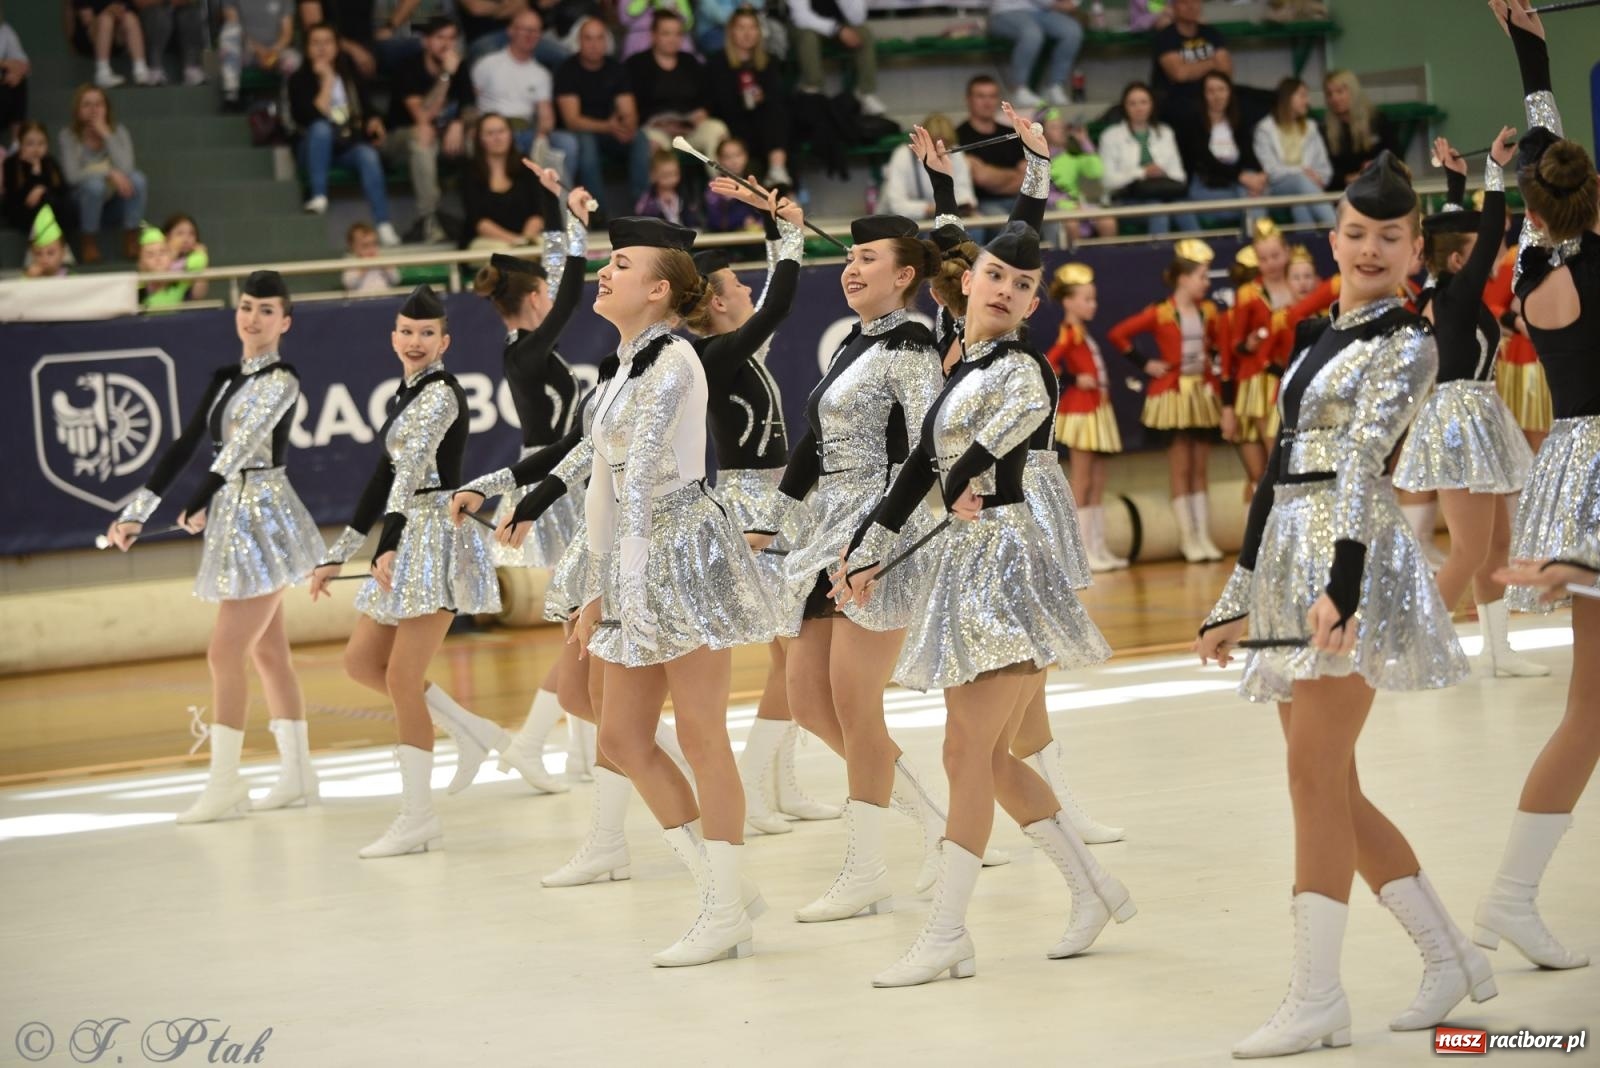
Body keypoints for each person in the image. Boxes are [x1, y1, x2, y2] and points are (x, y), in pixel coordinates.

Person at [1195, 152, 1487, 1059]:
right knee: (1331, 785)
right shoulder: (1319, 333)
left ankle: (1318, 997)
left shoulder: (1409, 341)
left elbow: (1363, 464)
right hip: (1295, 555)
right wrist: (1236, 593)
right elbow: (1280, 462)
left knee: (1313, 780)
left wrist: (1345, 587)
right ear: (1333, 238)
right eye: (1356, 233)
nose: (1369, 248)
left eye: (1389, 237)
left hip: (1348, 560)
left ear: (1414, 250)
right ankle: (1450, 956)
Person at [839, 217, 1127, 987]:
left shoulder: (1026, 371)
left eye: (1023, 284)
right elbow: (918, 468)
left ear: (1032, 302)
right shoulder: (960, 365)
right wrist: (867, 546)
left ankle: (947, 933)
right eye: (996, 275)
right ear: (966, 282)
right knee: (986, 756)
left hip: (1008, 566)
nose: (1006, 290)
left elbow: (977, 455)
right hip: (964, 563)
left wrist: (956, 484)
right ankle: (1093, 888)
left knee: (967, 754)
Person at [745, 212, 987, 912]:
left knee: (855, 707)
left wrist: (878, 543)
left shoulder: (909, 344)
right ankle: (932, 822)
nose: (851, 269)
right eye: (849, 257)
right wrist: (769, 522)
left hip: (879, 531)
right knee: (809, 702)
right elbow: (812, 447)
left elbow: (927, 447)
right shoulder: (858, 340)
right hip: (825, 531)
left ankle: (866, 870)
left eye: (868, 258)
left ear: (905, 275)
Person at [571, 216, 782, 965]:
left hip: (684, 548)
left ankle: (722, 911)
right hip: (633, 553)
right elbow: (603, 482)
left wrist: (625, 581)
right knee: (620, 736)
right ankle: (726, 890)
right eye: (607, 260)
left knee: (700, 733)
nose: (605, 271)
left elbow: (645, 478)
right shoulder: (620, 367)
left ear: (659, 290)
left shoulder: (676, 360)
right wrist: (596, 585)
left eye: (620, 263)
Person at [1474, 0, 1600, 974]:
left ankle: (1513, 895)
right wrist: (1533, 55)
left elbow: (1549, 167)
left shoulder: (1528, 268)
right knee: (1588, 711)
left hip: (1570, 461)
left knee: (1589, 709)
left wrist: (1531, 54)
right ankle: (1511, 897)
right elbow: (1553, 160)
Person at [107, 271, 325, 823]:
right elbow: (186, 443)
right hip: (234, 513)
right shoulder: (227, 378)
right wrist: (136, 512)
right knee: (268, 653)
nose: (253, 318)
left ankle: (225, 783)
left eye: (266, 310)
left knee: (224, 653)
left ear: (285, 322)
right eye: (247, 306)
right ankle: (299, 777)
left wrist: (200, 497)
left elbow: (239, 451)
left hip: (266, 519)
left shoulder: (283, 379)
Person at [311, 285, 519, 856]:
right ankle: (473, 730)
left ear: (444, 342)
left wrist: (388, 545)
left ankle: (418, 817)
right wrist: (338, 553)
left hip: (434, 537)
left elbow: (407, 481)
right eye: (406, 331)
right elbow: (382, 477)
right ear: (393, 338)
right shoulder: (405, 394)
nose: (415, 341)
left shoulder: (440, 394)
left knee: (402, 677)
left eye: (427, 333)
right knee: (362, 663)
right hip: (408, 533)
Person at [681, 178, 840, 834]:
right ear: (717, 302)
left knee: (788, 656)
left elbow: (770, 300)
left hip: (775, 499)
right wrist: (793, 239)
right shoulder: (712, 355)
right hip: (753, 507)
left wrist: (777, 227)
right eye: (737, 285)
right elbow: (776, 306)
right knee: (792, 650)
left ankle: (781, 785)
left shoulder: (737, 350)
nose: (749, 288)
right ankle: (754, 787)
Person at [450, 174, 597, 798]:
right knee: (583, 623)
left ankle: (581, 754)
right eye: (546, 293)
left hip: (563, 476)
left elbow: (556, 284)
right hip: (554, 483)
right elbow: (570, 293)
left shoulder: (525, 349)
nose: (552, 298)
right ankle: (532, 743)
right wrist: (577, 225)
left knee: (585, 621)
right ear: (535, 298)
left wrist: (561, 208)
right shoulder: (529, 352)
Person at [1392, 131, 1545, 678]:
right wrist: (1495, 171)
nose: (1493, 253)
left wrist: (1455, 179)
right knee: (1469, 551)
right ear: (1459, 260)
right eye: (1478, 251)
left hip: (1476, 413)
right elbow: (1491, 229)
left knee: (1496, 543)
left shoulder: (1445, 287)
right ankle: (1413, 647)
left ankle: (1497, 651)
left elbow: (1453, 233)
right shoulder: (1454, 296)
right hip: (1459, 422)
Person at [1107, 239, 1226, 563]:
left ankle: (1204, 535)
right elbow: (1119, 334)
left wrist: (1213, 360)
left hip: (1201, 394)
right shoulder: (1160, 312)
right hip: (1173, 395)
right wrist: (1145, 363)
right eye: (1202, 276)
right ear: (1183, 279)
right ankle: (1188, 538)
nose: (1207, 282)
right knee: (1181, 467)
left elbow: (1218, 344)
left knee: (1200, 467)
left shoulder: (1209, 311)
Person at [287, 23, 398, 244]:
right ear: (307, 48)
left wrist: (374, 120)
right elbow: (311, 116)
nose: (322, 48)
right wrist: (327, 80)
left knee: (367, 154)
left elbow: (367, 107)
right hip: (312, 147)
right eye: (315, 43)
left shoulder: (350, 75)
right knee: (321, 128)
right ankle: (319, 195)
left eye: (327, 42)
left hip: (345, 145)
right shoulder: (299, 79)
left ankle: (383, 223)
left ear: (337, 47)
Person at [1048, 263, 1125, 572]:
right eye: (1086, 299)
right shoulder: (1069, 333)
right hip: (1081, 410)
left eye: (1094, 299)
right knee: (1082, 480)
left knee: (1098, 479)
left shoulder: (1081, 332)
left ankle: (1097, 547)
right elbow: (1049, 363)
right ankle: (1081, 555)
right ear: (1068, 302)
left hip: (1096, 408)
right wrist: (1073, 378)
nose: (1093, 305)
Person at [385, 15, 471, 245]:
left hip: (442, 138)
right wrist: (445, 76)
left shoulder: (461, 66)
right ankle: (429, 220)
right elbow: (423, 117)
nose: (447, 44)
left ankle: (484, 216)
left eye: (451, 38)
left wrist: (459, 123)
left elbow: (471, 109)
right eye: (440, 38)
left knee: (479, 138)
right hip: (399, 140)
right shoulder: (408, 68)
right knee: (423, 134)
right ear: (426, 41)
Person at [553, 16, 652, 209]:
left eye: (599, 38)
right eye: (588, 38)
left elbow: (628, 110)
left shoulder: (616, 68)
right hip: (580, 133)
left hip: (610, 132)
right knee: (586, 143)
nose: (594, 44)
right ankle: (596, 210)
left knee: (640, 137)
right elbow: (572, 121)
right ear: (579, 41)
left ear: (606, 42)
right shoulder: (567, 70)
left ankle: (643, 204)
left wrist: (628, 126)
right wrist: (609, 126)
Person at [471, 8, 578, 177]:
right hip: (493, 129)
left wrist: (542, 135)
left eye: (536, 31)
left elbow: (546, 115)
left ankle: (559, 193)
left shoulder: (541, 74)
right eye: (525, 30)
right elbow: (470, 102)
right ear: (511, 31)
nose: (531, 35)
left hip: (526, 131)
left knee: (566, 142)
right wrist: (472, 127)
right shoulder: (487, 64)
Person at [58, 84, 148, 264]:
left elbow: (127, 168)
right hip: (82, 205)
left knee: (138, 179)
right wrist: (108, 173)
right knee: (94, 186)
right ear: (78, 110)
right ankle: (89, 241)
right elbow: (72, 177)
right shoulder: (68, 135)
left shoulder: (119, 131)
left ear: (107, 108)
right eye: (87, 104)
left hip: (113, 203)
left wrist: (106, 134)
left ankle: (131, 237)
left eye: (99, 104)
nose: (93, 110)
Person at [626, 9, 729, 165]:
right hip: (655, 129)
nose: (672, 39)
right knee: (651, 142)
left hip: (690, 127)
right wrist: (661, 124)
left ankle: (721, 180)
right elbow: (631, 107)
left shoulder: (690, 62)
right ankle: (661, 182)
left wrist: (702, 112)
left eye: (677, 34)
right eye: (666, 33)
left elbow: (707, 96)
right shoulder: (636, 64)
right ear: (653, 35)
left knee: (717, 129)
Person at [704, 8, 792, 187]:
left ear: (759, 32)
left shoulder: (769, 61)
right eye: (741, 28)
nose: (747, 33)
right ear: (732, 32)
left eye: (752, 28)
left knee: (776, 114)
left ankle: (778, 171)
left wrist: (762, 97)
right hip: (733, 123)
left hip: (764, 124)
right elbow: (716, 103)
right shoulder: (717, 63)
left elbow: (779, 97)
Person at [1098, 81, 1196, 236]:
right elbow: (1107, 181)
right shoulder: (1110, 136)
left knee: (1183, 208)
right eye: (1133, 103)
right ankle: (1158, 252)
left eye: (1144, 102)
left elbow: (1180, 176)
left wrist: (1161, 172)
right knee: (1158, 211)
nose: (1139, 108)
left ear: (1152, 105)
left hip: (1164, 194)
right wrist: (1142, 173)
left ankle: (1201, 249)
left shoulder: (1166, 132)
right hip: (1125, 199)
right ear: (1125, 107)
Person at [1486, 238, 1552, 454]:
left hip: (1539, 355)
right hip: (1517, 358)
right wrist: (1516, 321)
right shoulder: (1512, 261)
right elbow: (1491, 305)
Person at [1181, 70, 1267, 228]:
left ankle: (1254, 232)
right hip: (1207, 185)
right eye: (1211, 91)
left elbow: (1249, 154)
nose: (1217, 96)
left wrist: (1260, 174)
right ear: (1203, 95)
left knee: (1253, 194)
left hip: (1237, 184)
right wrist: (1241, 177)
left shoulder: (1238, 120)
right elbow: (1207, 162)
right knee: (1253, 199)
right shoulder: (1193, 124)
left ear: (1229, 92)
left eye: (1221, 90)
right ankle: (1259, 235)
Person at [1252, 77, 1336, 227]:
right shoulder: (1265, 129)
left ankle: (1308, 240)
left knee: (1301, 203)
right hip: (1276, 189)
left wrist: (1317, 177)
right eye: (1302, 96)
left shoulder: (1311, 128)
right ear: (1288, 97)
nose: (1307, 101)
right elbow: (1271, 171)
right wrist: (1303, 172)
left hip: (1306, 189)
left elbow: (1325, 170)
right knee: (1301, 181)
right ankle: (1337, 227)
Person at [460, 113, 547, 249]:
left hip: (528, 237)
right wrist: (515, 242)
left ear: (511, 134)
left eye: (501, 131)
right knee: (502, 252)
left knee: (547, 248)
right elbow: (477, 221)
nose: (497, 138)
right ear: (479, 139)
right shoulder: (470, 171)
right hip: (487, 240)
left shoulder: (526, 166)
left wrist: (526, 240)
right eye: (490, 133)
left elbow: (538, 212)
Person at [789, 0, 884, 116]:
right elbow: (801, 17)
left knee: (863, 33)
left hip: (837, 26)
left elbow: (858, 19)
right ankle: (813, 90)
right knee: (808, 38)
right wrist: (837, 30)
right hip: (804, 27)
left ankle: (865, 92)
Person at [987, 0, 1084, 110]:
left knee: (1072, 31)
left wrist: (1074, 3)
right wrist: (1058, 4)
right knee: (1032, 34)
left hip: (1042, 12)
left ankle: (1053, 86)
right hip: (1007, 11)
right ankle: (1018, 90)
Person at [881, 113, 975, 222]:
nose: (940, 151)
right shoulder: (902, 155)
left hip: (942, 217)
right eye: (934, 145)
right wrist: (935, 208)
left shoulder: (954, 152)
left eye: (945, 145)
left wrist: (962, 207)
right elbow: (897, 205)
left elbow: (965, 195)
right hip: (901, 221)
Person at [1149, 0, 1230, 124]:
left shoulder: (1211, 33)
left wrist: (1190, 68)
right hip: (1177, 100)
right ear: (1174, 7)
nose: (1192, 7)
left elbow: (1226, 70)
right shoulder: (1165, 37)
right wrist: (1212, 63)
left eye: (1196, 2)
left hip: (1212, 96)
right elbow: (1179, 74)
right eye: (1185, 3)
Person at [1322, 70, 1397, 192]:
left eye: (1340, 92)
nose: (1334, 98)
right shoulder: (1324, 130)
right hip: (1344, 191)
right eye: (1329, 94)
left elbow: (1395, 156)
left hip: (1379, 185)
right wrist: (1347, 179)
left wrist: (1376, 165)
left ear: (1353, 92)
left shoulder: (1377, 120)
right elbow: (1325, 172)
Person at [219, 0, 299, 107]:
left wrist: (272, 54)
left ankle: (290, 103)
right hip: (245, 52)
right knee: (229, 32)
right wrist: (259, 51)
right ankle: (231, 95)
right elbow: (233, 25)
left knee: (294, 59)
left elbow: (287, 34)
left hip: (275, 52)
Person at [4, 122, 73, 243]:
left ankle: (58, 243)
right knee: (43, 201)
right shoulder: (11, 164)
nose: (36, 149)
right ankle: (43, 244)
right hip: (22, 212)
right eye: (30, 144)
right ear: (20, 144)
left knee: (54, 201)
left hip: (50, 208)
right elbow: (16, 197)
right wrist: (34, 175)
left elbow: (62, 190)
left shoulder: (50, 162)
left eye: (41, 143)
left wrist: (41, 188)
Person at [86, 0, 156, 88]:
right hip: (93, 35)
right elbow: (87, 21)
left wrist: (119, 12)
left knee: (130, 18)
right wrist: (107, 11)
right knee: (106, 19)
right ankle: (102, 72)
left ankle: (140, 71)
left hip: (118, 35)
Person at [702, 138, 764, 234]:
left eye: (738, 155)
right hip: (725, 238)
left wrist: (759, 223)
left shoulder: (754, 182)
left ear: (746, 155)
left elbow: (766, 212)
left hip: (754, 236)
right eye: (728, 157)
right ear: (719, 159)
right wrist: (742, 221)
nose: (734, 161)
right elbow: (714, 220)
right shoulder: (715, 186)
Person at [137, 0, 205, 86]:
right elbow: (140, 3)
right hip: (149, 21)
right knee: (159, 14)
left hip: (177, 22)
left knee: (191, 12)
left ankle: (191, 68)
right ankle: (155, 69)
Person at [634, 147, 703, 227]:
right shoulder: (648, 201)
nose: (671, 179)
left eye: (675, 174)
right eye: (665, 176)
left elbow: (692, 219)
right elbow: (643, 222)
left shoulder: (683, 194)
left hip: (683, 233)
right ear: (653, 175)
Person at [0, 4, 31, 145]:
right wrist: (4, 63)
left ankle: (16, 143)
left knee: (18, 78)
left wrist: (17, 72)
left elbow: (24, 64)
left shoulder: (5, 31)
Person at [341, 220, 399, 291]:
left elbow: (396, 280)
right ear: (353, 248)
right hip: (363, 297)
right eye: (365, 246)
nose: (371, 249)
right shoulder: (352, 265)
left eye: (374, 244)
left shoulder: (382, 261)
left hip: (384, 296)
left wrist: (387, 268)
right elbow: (349, 284)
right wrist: (362, 269)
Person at [23, 204, 69, 278]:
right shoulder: (29, 277)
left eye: (50, 253)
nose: (44, 259)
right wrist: (28, 278)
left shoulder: (71, 278)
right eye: (38, 254)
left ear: (63, 253)